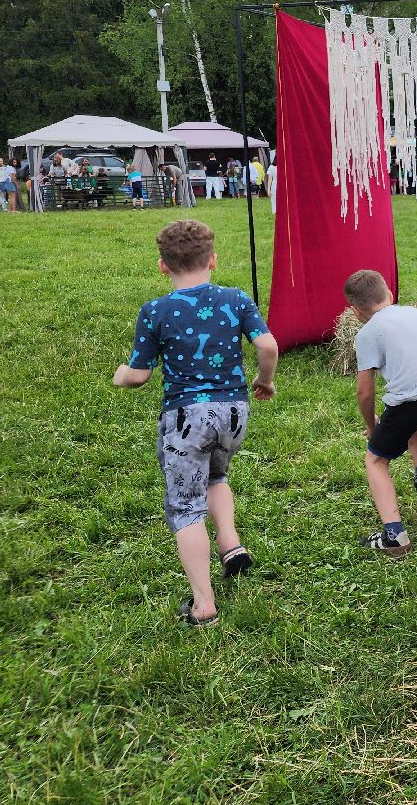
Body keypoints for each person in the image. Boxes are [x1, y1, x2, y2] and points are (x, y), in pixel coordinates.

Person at [112, 220, 277, 627]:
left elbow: (139, 374)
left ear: (162, 266)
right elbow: (267, 344)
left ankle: (203, 605)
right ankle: (231, 545)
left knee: (186, 507)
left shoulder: (155, 311)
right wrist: (264, 380)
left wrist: (120, 374)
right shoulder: (236, 299)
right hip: (234, 413)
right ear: (213, 260)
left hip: (186, 419)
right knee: (217, 476)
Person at [344, 269, 417, 556]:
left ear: (356, 311)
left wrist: (372, 426)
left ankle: (394, 535)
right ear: (390, 294)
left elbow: (365, 392)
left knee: (375, 460)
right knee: (409, 408)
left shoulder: (368, 333)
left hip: (413, 401)